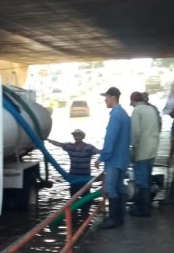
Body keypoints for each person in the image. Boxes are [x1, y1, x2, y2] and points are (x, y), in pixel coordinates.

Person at [93, 86, 131, 229]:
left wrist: (101, 158)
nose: (105, 100)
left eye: (106, 97)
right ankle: (120, 217)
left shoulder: (115, 115)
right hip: (123, 158)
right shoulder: (124, 114)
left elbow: (110, 139)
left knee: (110, 188)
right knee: (119, 187)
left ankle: (113, 219)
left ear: (113, 98)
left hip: (114, 160)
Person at [128, 91, 160, 217]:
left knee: (142, 182)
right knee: (147, 178)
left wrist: (133, 150)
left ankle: (143, 210)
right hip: (152, 150)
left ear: (133, 100)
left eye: (131, 101)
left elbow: (135, 133)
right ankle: (145, 207)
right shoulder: (151, 109)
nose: (130, 104)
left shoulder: (137, 111)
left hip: (142, 151)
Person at [46, 129, 100, 196]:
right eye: (75, 135)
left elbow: (99, 152)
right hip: (73, 176)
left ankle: (86, 206)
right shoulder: (70, 146)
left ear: (83, 137)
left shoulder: (89, 147)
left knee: (86, 196)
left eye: (78, 135)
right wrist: (48, 140)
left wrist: (104, 155)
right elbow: (59, 144)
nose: (76, 137)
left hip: (85, 176)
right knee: (73, 195)